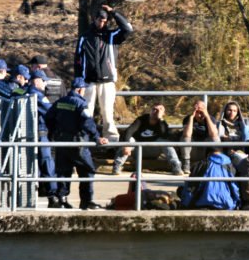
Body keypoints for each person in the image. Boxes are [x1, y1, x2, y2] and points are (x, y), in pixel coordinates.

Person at [46, 77, 108, 210]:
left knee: (63, 171)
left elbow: (49, 117)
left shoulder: (60, 102)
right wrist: (97, 137)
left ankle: (62, 199)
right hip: (78, 143)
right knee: (87, 170)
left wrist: (52, 133)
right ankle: (86, 201)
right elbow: (88, 123)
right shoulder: (80, 104)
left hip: (61, 143)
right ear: (80, 89)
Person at [74, 4, 133, 142]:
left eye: (105, 21)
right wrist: (78, 82)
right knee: (86, 112)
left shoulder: (112, 36)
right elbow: (77, 61)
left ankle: (111, 141)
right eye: (100, 20)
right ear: (94, 19)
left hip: (107, 82)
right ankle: (85, 139)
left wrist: (114, 12)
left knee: (107, 114)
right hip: (88, 82)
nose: (102, 23)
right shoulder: (84, 38)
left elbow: (128, 29)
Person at [112, 104, 183, 175]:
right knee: (130, 140)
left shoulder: (162, 124)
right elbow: (129, 131)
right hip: (137, 150)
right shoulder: (141, 119)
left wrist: (160, 119)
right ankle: (117, 166)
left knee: (165, 142)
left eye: (159, 110)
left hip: (152, 150)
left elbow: (165, 135)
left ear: (163, 113)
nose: (156, 111)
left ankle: (176, 166)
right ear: (150, 111)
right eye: (154, 109)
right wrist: (126, 145)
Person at [27, 69, 58, 208]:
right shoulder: (37, 95)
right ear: (37, 81)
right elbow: (50, 112)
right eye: (44, 81)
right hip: (40, 134)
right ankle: (53, 196)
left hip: (26, 135)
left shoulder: (23, 91)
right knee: (47, 163)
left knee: (31, 165)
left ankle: (31, 195)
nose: (45, 84)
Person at [180, 100, 219, 174]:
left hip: (205, 149)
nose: (200, 115)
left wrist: (207, 116)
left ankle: (216, 162)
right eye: (198, 112)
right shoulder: (188, 119)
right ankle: (186, 164)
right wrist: (191, 117)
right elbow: (187, 135)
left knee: (216, 137)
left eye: (202, 111)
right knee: (185, 138)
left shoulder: (211, 119)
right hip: (192, 150)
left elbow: (214, 134)